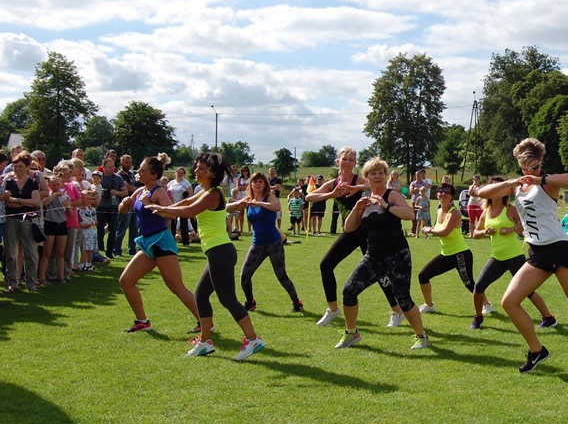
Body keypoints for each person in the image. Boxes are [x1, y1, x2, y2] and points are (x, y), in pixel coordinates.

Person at [476, 138, 568, 375]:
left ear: (540, 162)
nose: (528, 171)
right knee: (509, 302)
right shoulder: (515, 186)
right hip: (537, 253)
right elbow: (482, 192)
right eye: (524, 167)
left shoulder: (547, 183)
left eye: (533, 166)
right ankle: (537, 350)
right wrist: (514, 181)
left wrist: (539, 178)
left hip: (560, 249)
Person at [148, 152, 266, 361]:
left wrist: (161, 208)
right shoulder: (206, 191)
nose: (196, 170)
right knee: (200, 296)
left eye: (200, 168)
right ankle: (205, 342)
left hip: (221, 252)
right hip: (216, 253)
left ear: (211, 172)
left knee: (228, 299)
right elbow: (183, 205)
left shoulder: (213, 194)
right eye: (196, 167)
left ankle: (253, 339)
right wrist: (162, 209)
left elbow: (190, 211)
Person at [333, 158, 430, 351]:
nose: (377, 176)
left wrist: (386, 205)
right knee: (349, 290)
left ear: (385, 176)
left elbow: (410, 214)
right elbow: (349, 228)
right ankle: (352, 333)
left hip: (397, 255)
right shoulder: (366, 200)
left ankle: (421, 336)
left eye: (381, 173)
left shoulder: (391, 195)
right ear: (366, 177)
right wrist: (357, 209)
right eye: (373, 173)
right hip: (373, 256)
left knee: (402, 298)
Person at [308, 147, 405, 328]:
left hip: (367, 233)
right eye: (345, 158)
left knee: (380, 273)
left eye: (352, 159)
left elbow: (375, 184)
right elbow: (309, 196)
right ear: (338, 161)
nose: (348, 161)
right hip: (349, 231)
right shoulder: (333, 183)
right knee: (326, 265)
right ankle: (333, 309)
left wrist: (356, 187)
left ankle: (397, 311)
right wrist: (332, 194)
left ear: (355, 164)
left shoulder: (360, 180)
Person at [116, 154, 201, 334]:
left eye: (143, 170)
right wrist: (124, 205)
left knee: (175, 286)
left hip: (161, 242)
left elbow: (171, 214)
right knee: (126, 280)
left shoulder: (158, 192)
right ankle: (142, 321)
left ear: (153, 175)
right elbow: (124, 210)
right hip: (147, 243)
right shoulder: (139, 191)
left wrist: (148, 204)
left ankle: (205, 321)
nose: (138, 172)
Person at [469, 176, 557, 330]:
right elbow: (474, 234)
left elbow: (525, 226)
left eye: (498, 187)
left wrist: (510, 229)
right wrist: (484, 231)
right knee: (479, 287)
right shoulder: (486, 212)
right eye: (492, 187)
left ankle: (548, 318)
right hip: (497, 257)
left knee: (528, 291)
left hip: (515, 256)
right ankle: (478, 318)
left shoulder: (510, 210)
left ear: (504, 192)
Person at [227, 172, 303, 313]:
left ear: (265, 185)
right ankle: (250, 302)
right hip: (257, 244)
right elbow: (228, 207)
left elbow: (276, 207)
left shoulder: (270, 197)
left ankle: (297, 302)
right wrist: (235, 203)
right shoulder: (248, 200)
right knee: (245, 276)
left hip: (274, 243)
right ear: (251, 184)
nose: (257, 184)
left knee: (281, 275)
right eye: (254, 181)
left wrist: (259, 203)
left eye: (260, 182)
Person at [418, 182, 485, 322]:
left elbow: (445, 232)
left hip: (460, 254)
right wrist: (430, 228)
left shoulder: (454, 212)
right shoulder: (438, 210)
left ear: (452, 196)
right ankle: (429, 305)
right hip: (446, 255)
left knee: (469, 284)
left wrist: (429, 230)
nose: (443, 194)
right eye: (440, 192)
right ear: (437, 194)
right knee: (423, 275)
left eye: (447, 192)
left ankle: (487, 305)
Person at [3, 152, 41, 292]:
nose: (18, 168)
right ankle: (13, 283)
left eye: (20, 166)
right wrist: (25, 203)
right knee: (11, 253)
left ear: (27, 168)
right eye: (15, 166)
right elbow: (8, 203)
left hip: (28, 220)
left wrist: (17, 200)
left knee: (30, 253)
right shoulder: (9, 182)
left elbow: (36, 202)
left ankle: (32, 284)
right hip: (11, 219)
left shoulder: (32, 182)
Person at [166, 167, 193, 245]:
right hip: (172, 204)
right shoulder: (171, 183)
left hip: (182, 205)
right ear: (175, 173)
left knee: (184, 223)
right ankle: (172, 240)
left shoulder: (186, 183)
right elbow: (167, 192)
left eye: (181, 173)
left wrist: (184, 202)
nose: (180, 174)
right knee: (172, 223)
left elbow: (191, 194)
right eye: (178, 172)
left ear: (184, 174)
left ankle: (186, 241)